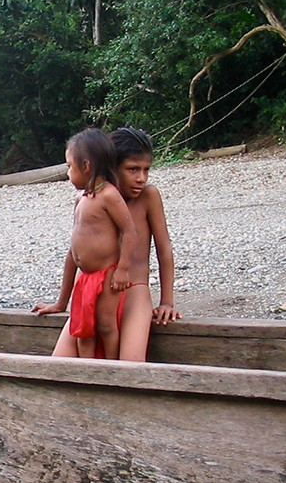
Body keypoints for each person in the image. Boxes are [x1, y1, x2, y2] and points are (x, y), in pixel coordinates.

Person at [35, 127, 178, 361]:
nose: (141, 178)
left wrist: (167, 302)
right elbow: (75, 252)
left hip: (133, 290)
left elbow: (164, 249)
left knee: (130, 365)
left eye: (146, 170)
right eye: (132, 169)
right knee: (60, 362)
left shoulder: (148, 196)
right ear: (111, 166)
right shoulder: (89, 199)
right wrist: (62, 302)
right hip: (93, 290)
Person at [31, 128, 135, 359]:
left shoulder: (109, 195)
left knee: (107, 326)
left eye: (70, 166)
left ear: (86, 165)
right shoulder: (82, 198)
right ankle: (86, 372)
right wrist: (60, 302)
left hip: (106, 275)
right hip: (84, 278)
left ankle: (111, 369)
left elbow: (129, 231)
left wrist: (123, 269)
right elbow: (74, 251)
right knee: (83, 330)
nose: (68, 173)